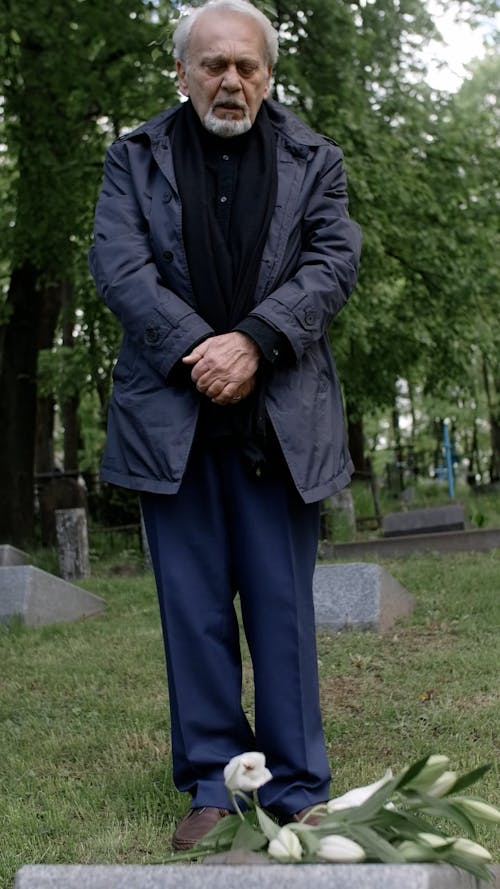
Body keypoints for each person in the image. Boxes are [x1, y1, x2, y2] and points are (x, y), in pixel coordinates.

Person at [89, 0, 361, 851]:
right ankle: (213, 778)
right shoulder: (133, 157)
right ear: (182, 72)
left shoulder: (317, 157)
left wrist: (254, 341)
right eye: (213, 65)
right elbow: (119, 266)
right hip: (171, 418)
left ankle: (294, 785)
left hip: (280, 421)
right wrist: (200, 352)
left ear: (268, 72)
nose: (231, 81)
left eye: (246, 65)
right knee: (194, 611)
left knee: (281, 609)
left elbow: (333, 260)